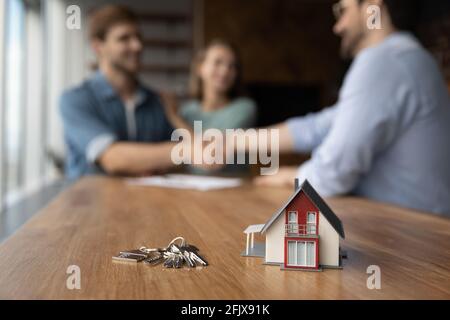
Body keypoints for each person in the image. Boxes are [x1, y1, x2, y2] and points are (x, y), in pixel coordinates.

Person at [250, 0, 450, 215]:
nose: (337, 26)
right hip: (412, 226)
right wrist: (233, 141)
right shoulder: (407, 57)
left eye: (342, 10)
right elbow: (320, 126)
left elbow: (334, 173)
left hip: (413, 234)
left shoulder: (384, 60)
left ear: (372, 7)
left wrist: (296, 174)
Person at [59, 5, 175, 179]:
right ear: (98, 46)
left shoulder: (157, 101)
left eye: (138, 37)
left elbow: (178, 163)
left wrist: (175, 117)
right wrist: (184, 151)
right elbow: (113, 158)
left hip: (147, 203)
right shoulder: (75, 100)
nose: (137, 46)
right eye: (124, 39)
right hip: (90, 204)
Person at [162, 39, 257, 175]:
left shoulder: (245, 108)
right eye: (218, 62)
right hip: (191, 188)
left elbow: (211, 152)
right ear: (200, 68)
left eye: (232, 66)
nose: (225, 71)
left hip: (234, 190)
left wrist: (174, 117)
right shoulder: (187, 111)